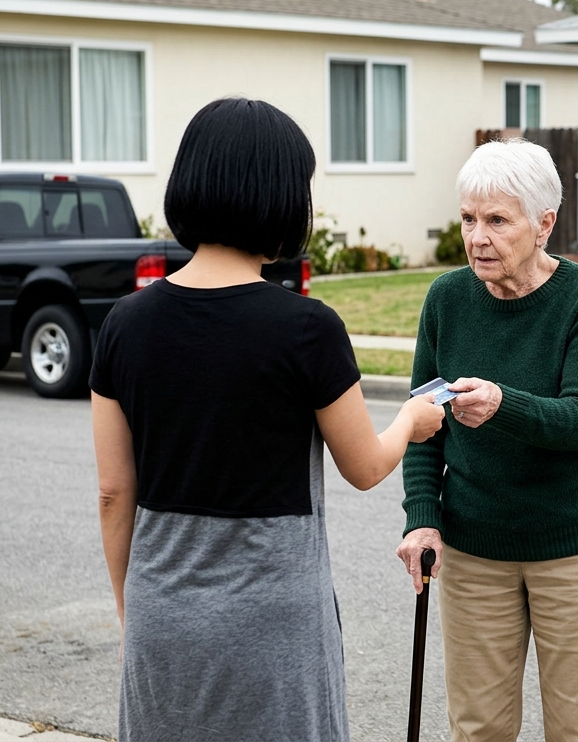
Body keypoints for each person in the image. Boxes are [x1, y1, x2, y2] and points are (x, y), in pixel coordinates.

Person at [91, 97, 444, 742]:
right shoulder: (307, 329)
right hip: (273, 623)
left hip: (159, 613)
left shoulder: (123, 324)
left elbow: (116, 493)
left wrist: (131, 614)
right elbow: (365, 465)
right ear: (281, 199)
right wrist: (414, 421)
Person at [395, 139, 578, 742]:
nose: (478, 237)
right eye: (469, 219)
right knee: (478, 728)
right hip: (477, 545)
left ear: (544, 223)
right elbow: (424, 424)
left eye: (498, 220)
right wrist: (422, 519)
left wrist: (504, 404)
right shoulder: (447, 299)